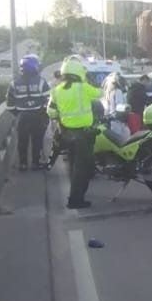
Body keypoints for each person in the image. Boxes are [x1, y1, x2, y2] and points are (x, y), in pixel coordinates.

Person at [47, 57, 103, 210]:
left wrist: (62, 119)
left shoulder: (56, 90)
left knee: (74, 165)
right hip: (83, 135)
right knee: (82, 168)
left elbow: (50, 111)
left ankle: (76, 195)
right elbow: (100, 93)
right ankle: (75, 200)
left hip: (66, 133)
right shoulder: (82, 87)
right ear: (78, 71)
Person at [6, 54, 50, 170]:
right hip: (38, 116)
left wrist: (19, 114)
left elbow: (9, 105)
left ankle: (23, 164)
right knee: (37, 140)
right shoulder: (41, 82)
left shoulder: (14, 83)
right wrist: (44, 113)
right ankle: (36, 163)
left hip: (22, 117)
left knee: (22, 141)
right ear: (35, 66)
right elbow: (48, 101)